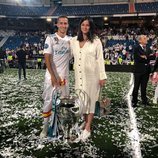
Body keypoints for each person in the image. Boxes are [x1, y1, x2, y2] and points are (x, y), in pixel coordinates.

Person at [70, 16, 107, 141]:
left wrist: (102, 76)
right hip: (79, 76)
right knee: (82, 101)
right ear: (80, 26)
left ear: (90, 27)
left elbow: (100, 59)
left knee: (90, 101)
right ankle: (85, 122)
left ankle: (88, 128)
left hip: (92, 77)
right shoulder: (74, 41)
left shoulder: (96, 41)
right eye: (83, 25)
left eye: (87, 25)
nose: (85, 27)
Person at [40, 16, 71, 138]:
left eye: (66, 23)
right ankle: (45, 127)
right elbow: (47, 58)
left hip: (64, 78)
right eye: (61, 23)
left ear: (67, 25)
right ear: (57, 25)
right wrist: (53, 76)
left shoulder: (70, 40)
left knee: (63, 103)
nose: (63, 25)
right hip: (51, 77)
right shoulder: (50, 38)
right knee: (48, 102)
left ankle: (60, 126)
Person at [132, 35, 154, 107]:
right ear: (140, 40)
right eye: (144, 38)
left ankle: (144, 101)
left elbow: (152, 56)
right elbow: (138, 58)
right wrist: (146, 57)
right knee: (136, 86)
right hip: (138, 70)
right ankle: (134, 101)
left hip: (146, 70)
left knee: (144, 87)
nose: (146, 39)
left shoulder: (148, 48)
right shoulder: (136, 47)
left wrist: (145, 56)